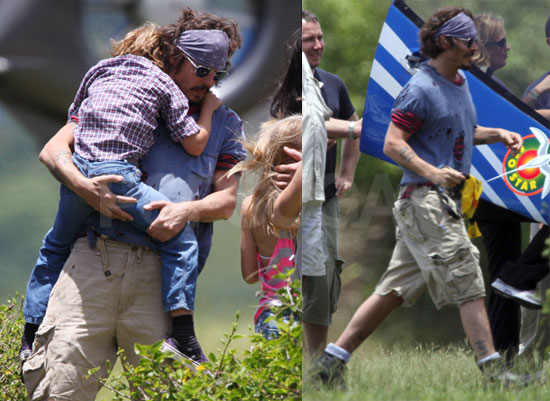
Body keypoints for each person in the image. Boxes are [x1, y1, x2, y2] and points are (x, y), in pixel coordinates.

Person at [23, 9, 246, 400]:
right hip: (91, 263)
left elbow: (226, 202)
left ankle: (184, 336)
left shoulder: (225, 124)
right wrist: (84, 187)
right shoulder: (124, 91)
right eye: (203, 70)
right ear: (173, 54)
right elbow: (54, 149)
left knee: (167, 392)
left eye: (219, 74)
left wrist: (184, 211)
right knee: (59, 389)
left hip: (159, 279)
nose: (209, 82)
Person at [309, 7, 525, 386]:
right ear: (446, 43)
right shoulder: (420, 88)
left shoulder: (459, 83)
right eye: (468, 40)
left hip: (441, 201)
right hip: (425, 199)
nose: (476, 47)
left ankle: (330, 362)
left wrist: (499, 134)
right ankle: (493, 371)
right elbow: (393, 143)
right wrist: (432, 171)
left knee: (394, 290)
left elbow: (462, 129)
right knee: (467, 272)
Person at [301, 9, 362, 357]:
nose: (318, 45)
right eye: (310, 40)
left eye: (320, 38)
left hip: (324, 198)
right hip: (286, 197)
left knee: (323, 279)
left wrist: (347, 174)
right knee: (285, 280)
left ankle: (315, 360)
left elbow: (355, 128)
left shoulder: (333, 83)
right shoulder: (289, 85)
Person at [232, 116, 301, 339]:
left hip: (269, 314)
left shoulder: (249, 206)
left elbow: (250, 274)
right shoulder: (303, 207)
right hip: (298, 311)